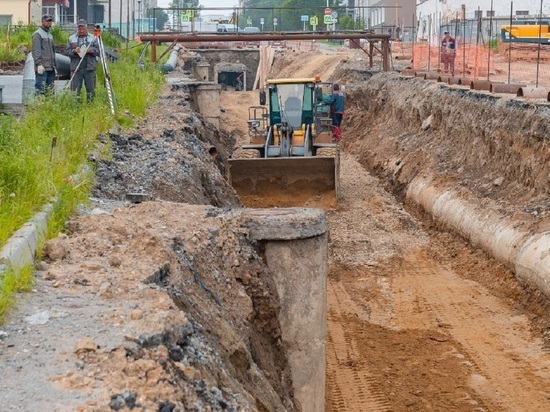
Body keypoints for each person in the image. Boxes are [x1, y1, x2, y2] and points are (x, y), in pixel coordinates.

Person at [66, 19, 99, 101]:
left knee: (91, 90)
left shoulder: (93, 38)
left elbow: (98, 51)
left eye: (83, 28)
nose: (81, 30)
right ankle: (75, 107)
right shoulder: (71, 38)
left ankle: (91, 106)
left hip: (89, 68)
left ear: (86, 27)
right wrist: (74, 51)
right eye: (79, 29)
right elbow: (67, 52)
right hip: (76, 68)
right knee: (74, 90)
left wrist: (90, 50)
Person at [31, 14, 57, 94]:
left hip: (51, 68)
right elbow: (36, 50)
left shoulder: (50, 35)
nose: (49, 22)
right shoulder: (38, 34)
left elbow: (53, 52)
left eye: (50, 21)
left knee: (50, 91)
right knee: (40, 90)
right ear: (42, 21)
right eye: (47, 21)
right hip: (42, 68)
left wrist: (54, 66)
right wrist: (38, 64)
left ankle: (47, 107)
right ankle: (39, 106)